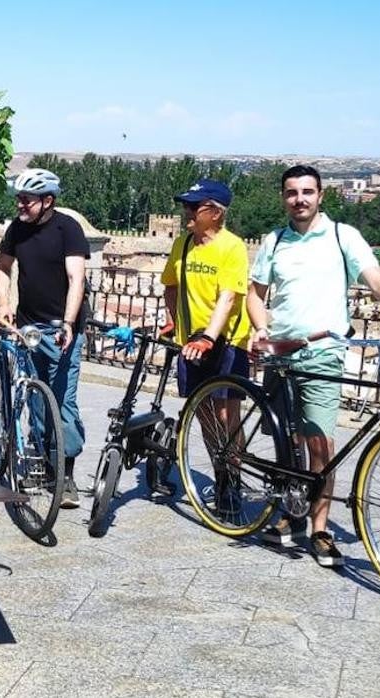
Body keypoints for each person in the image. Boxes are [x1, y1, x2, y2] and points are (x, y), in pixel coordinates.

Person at [246, 164, 380, 567]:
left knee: (320, 443)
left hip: (323, 352)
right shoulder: (274, 242)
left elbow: (375, 278)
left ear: (321, 195)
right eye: (292, 192)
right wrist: (260, 328)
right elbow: (255, 295)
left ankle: (320, 528)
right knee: (286, 439)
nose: (300, 199)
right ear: (283, 197)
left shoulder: (342, 236)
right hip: (281, 352)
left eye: (307, 192)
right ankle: (291, 514)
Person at [0, 168, 90, 508]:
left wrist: (68, 322)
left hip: (62, 329)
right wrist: (4, 303)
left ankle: (66, 476)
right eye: (18, 198)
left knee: (63, 403)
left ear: (48, 201)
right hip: (28, 328)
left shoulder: (68, 229)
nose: (20, 204)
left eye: (27, 200)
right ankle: (46, 466)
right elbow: (3, 267)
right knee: (35, 400)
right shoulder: (16, 230)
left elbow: (76, 279)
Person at [159, 179, 251, 500]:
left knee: (227, 414)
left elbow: (228, 297)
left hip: (226, 342)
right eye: (185, 205)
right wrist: (172, 319)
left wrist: (210, 337)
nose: (185, 211)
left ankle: (233, 481)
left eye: (193, 207)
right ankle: (220, 471)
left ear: (215, 212)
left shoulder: (232, 247)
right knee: (203, 411)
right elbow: (170, 283)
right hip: (190, 343)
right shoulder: (182, 244)